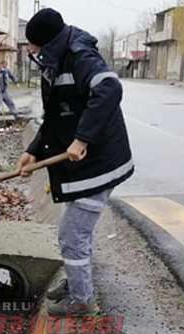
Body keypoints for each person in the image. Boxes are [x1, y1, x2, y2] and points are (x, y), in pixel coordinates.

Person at [16, 8, 134, 317]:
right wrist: (33, 151)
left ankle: (82, 300)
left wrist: (82, 138)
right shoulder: (56, 62)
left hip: (100, 163)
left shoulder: (80, 56)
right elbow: (55, 117)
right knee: (75, 230)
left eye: (33, 46)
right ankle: (77, 281)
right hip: (86, 165)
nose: (30, 51)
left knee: (71, 234)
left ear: (47, 43)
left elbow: (110, 88)